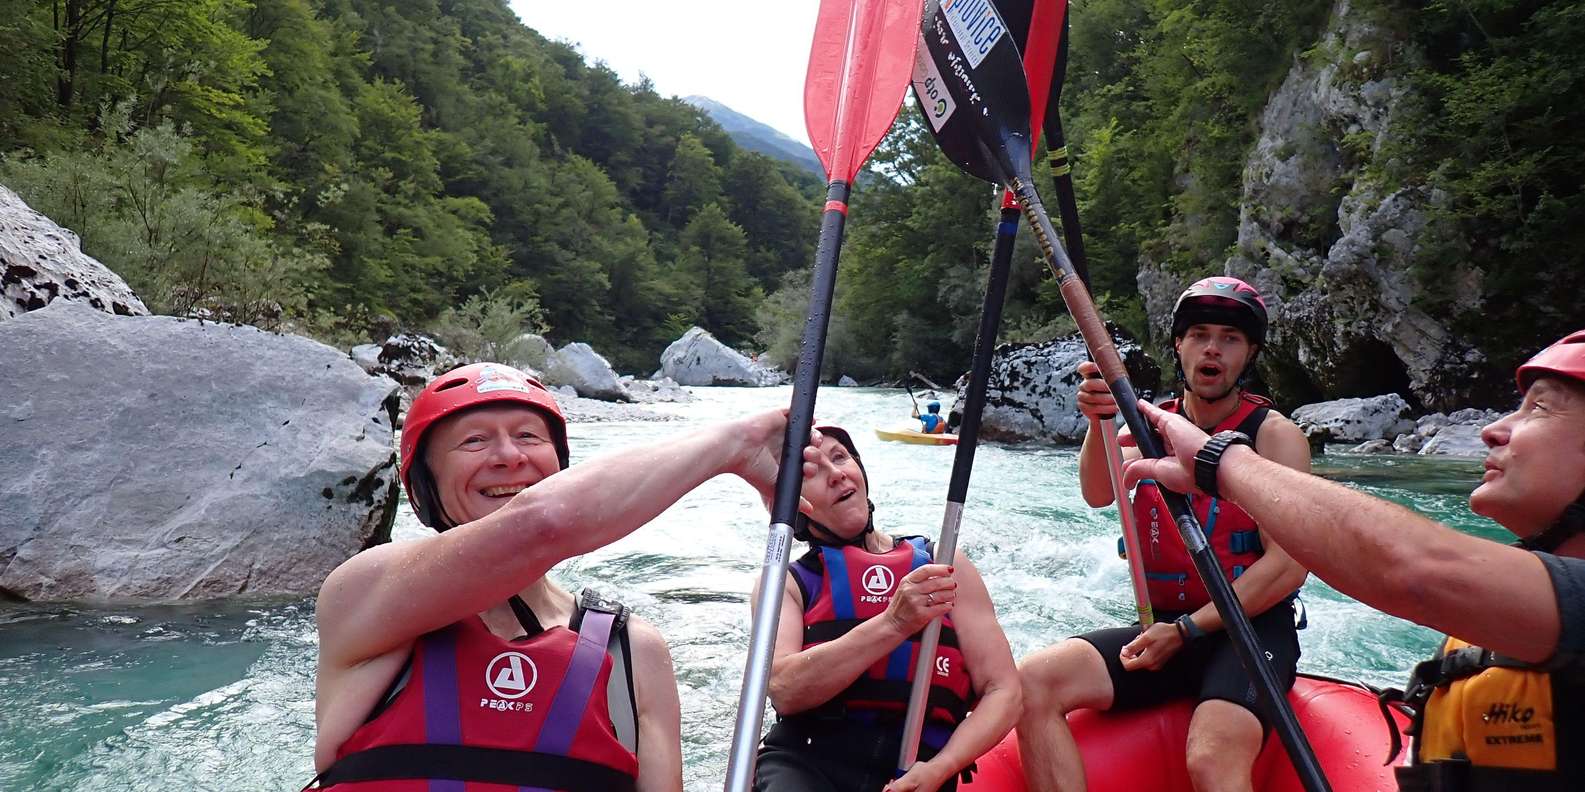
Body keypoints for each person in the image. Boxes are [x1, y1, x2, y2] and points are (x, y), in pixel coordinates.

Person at [1123, 329, 1585, 791]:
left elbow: (1409, 570)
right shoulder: (1508, 622)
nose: (1492, 429)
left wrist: (1219, 464)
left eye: (1539, 408)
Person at [308, 363, 793, 792]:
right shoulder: (363, 593)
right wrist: (735, 445)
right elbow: (543, 524)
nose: (509, 457)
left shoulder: (634, 650)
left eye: (528, 437)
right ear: (423, 485)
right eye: (474, 440)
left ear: (563, 472)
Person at [1017, 277, 1313, 792]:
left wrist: (1187, 631)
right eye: (1199, 335)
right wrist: (1100, 422)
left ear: (1249, 354)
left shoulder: (1275, 437)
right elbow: (1098, 492)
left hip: (1249, 633)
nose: (1212, 348)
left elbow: (1287, 568)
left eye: (1230, 338)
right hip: (1163, 630)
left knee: (1211, 759)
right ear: (1179, 345)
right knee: (1033, 682)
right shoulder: (1150, 426)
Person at [753, 426, 1022, 792]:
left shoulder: (943, 562)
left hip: (920, 767)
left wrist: (941, 768)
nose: (836, 475)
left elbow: (1004, 691)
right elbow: (783, 688)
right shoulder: (786, 583)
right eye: (812, 473)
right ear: (795, 504)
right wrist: (894, 623)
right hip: (809, 763)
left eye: (840, 457)